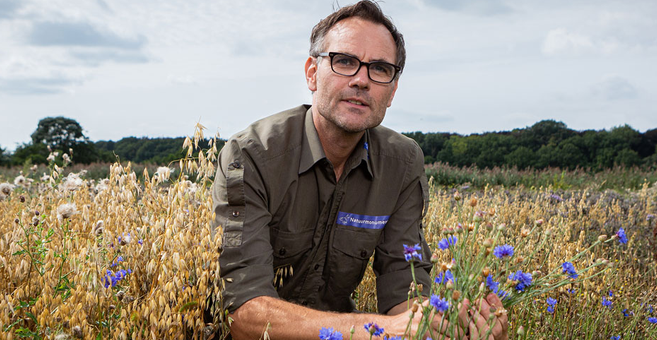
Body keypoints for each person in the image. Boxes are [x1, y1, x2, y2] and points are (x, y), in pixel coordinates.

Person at [211, 1, 507, 339]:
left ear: (392, 90)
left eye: (379, 69)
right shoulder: (253, 155)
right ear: (312, 73)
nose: (361, 80)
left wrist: (437, 326)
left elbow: (405, 291)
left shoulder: (402, 163)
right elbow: (244, 314)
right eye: (345, 62)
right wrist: (388, 329)